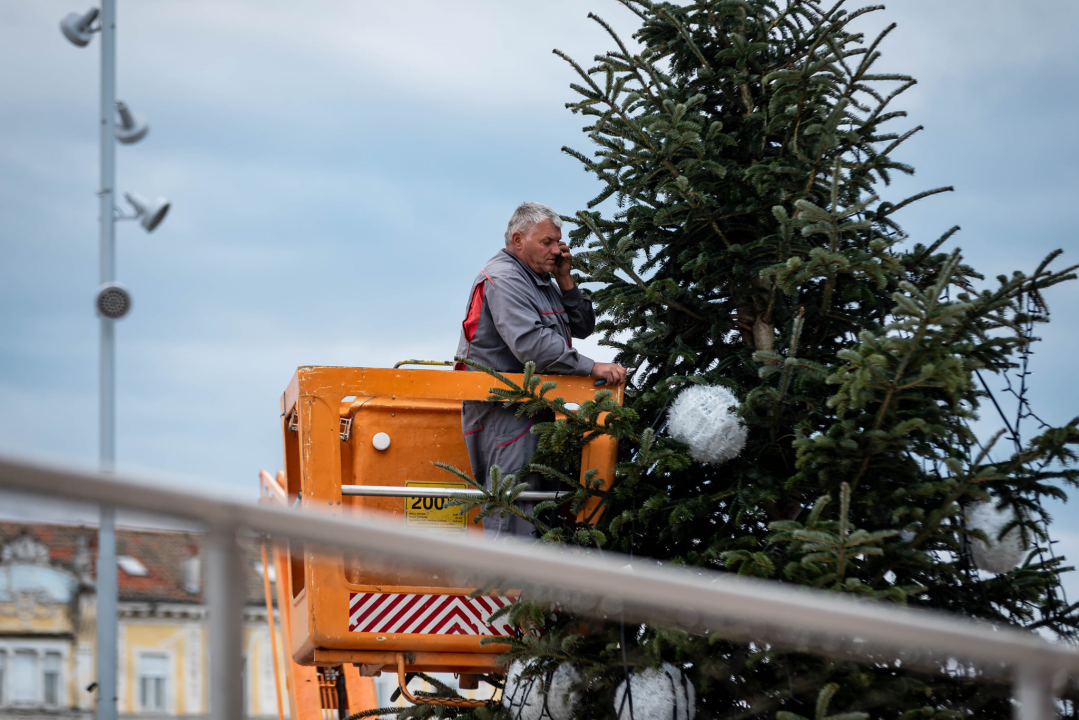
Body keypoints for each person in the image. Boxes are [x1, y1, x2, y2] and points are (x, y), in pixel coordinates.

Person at [454, 202, 626, 538]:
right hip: (503, 412)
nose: (557, 249)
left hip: (536, 409)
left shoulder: (542, 279)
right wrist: (591, 368)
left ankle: (536, 589)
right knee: (514, 510)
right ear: (518, 240)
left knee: (539, 509)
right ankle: (509, 589)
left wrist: (564, 278)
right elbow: (532, 347)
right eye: (547, 242)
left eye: (558, 242)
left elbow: (583, 325)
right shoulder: (504, 279)